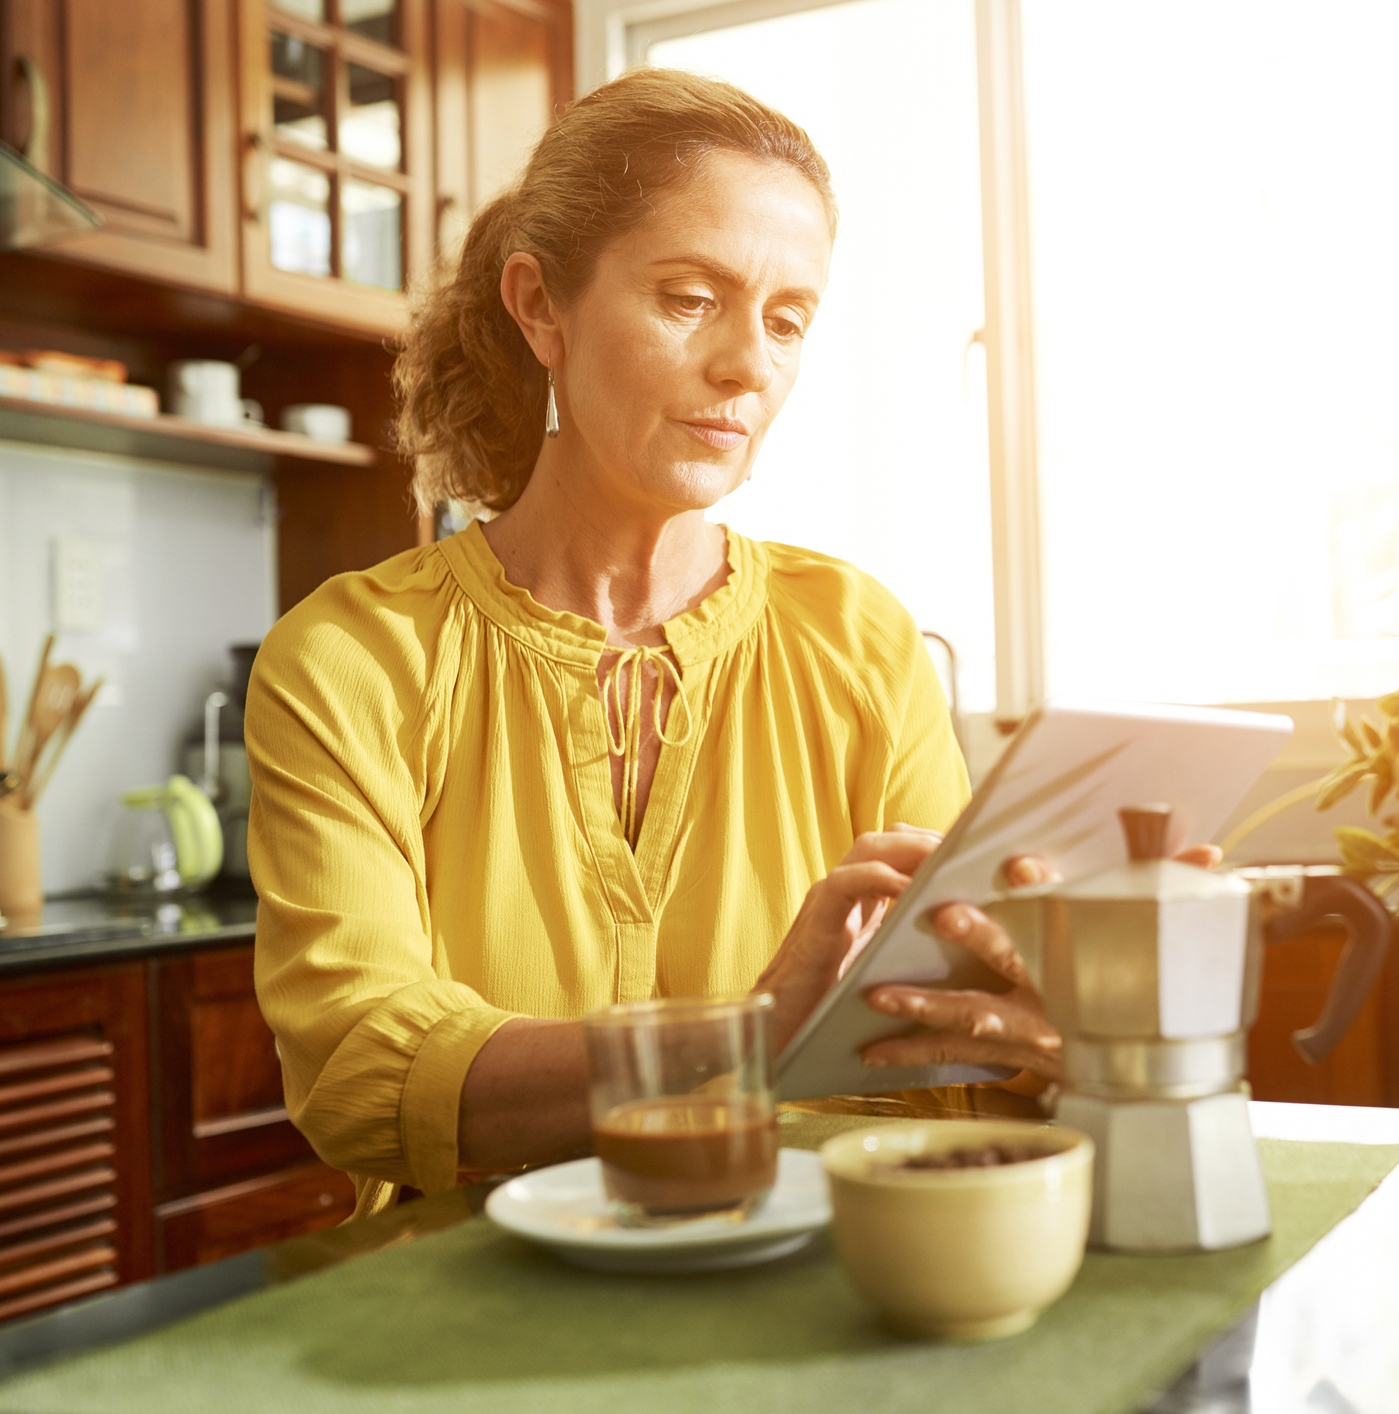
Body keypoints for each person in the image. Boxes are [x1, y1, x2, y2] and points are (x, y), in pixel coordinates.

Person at [249, 69, 1126, 1216]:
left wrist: (1067, 1013)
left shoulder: (860, 637)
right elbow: (363, 1074)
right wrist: (746, 1037)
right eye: (688, 296)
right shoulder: (349, 659)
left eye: (786, 318)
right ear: (541, 307)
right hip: (484, 1322)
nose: (748, 365)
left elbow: (943, 1062)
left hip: (829, 1293)